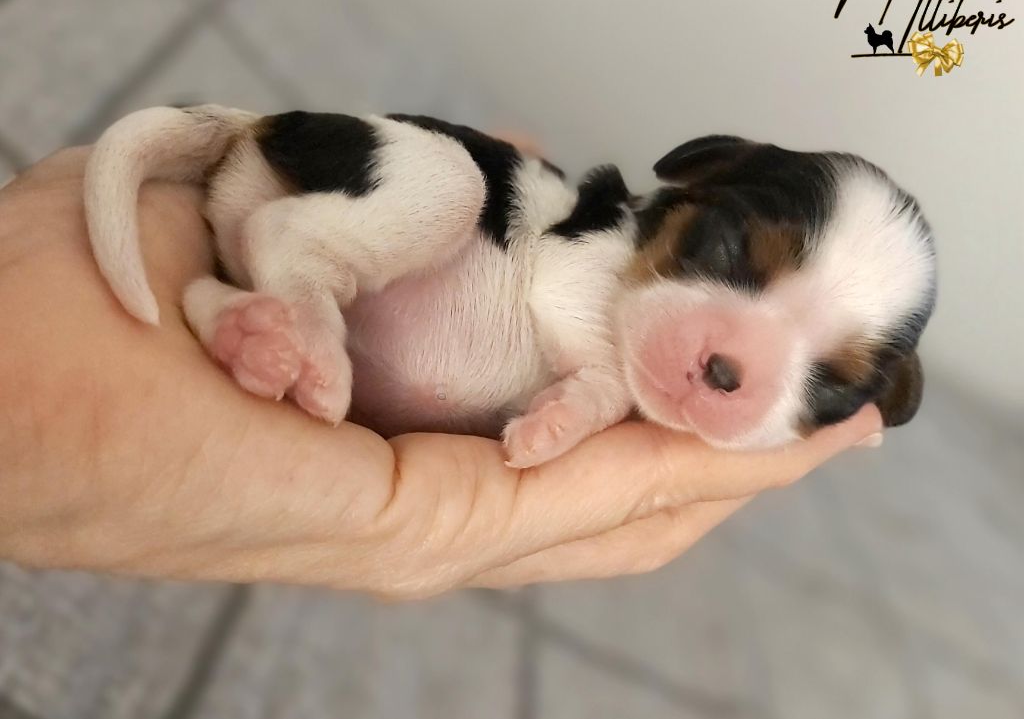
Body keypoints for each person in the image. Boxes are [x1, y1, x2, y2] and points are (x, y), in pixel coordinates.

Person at [0, 147, 881, 600]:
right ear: (693, 186)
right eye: (730, 252)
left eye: (826, 378)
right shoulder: (595, 251)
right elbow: (554, 290)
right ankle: (294, 266)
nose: (735, 359)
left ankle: (220, 301)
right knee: (448, 188)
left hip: (303, 270)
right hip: (333, 200)